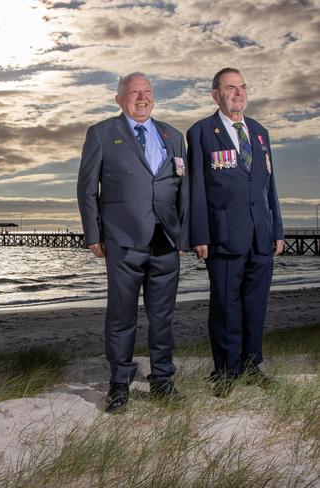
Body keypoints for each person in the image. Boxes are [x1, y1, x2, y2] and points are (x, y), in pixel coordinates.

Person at [77, 72, 189, 413]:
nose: (142, 97)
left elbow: (183, 187)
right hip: (123, 240)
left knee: (163, 316)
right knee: (122, 315)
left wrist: (184, 233)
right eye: (134, 92)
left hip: (166, 240)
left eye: (147, 92)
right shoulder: (102, 133)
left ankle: (162, 380)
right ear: (119, 99)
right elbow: (87, 189)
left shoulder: (173, 135)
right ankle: (119, 384)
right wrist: (94, 234)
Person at [187, 67, 284, 397]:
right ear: (216, 95)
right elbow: (196, 189)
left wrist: (278, 230)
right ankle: (226, 370)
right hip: (223, 236)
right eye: (231, 88)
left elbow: (269, 186)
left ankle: (252, 364)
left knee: (255, 304)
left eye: (242, 87)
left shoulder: (259, 132)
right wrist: (199, 235)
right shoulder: (201, 132)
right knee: (226, 306)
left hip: (261, 234)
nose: (239, 93)